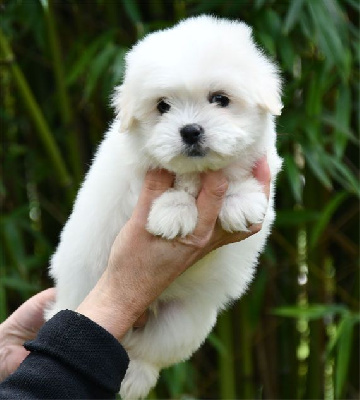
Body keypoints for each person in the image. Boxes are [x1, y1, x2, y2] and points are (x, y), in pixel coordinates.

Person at [0, 158, 270, 399]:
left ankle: (146, 359)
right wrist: (113, 303)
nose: (191, 124)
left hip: (175, 310)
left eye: (220, 99)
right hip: (90, 286)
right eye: (164, 105)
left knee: (180, 329)